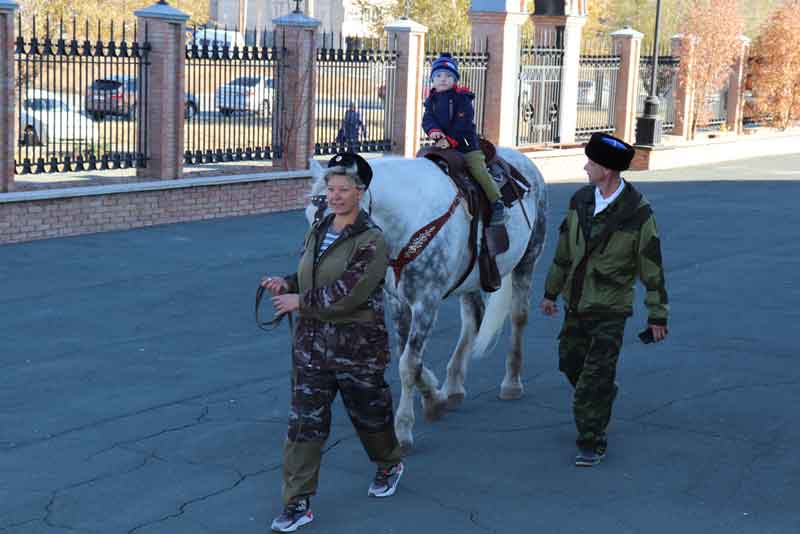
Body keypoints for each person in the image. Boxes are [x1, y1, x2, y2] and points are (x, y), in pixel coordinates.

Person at [261, 152, 404, 532]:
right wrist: (287, 283)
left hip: (357, 350)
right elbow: (312, 273)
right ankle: (297, 502)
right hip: (311, 349)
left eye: (344, 189)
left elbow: (349, 292)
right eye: (331, 188)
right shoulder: (321, 227)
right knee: (303, 424)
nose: (335, 196)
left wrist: (299, 302)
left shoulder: (372, 240)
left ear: (361, 192)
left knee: (370, 416)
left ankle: (389, 462)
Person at [539, 132, 669, 467]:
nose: (585, 167)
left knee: (593, 379)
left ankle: (591, 439)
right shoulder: (580, 200)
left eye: (591, 163)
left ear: (607, 171)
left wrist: (657, 314)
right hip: (576, 303)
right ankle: (601, 396)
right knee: (570, 363)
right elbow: (564, 253)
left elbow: (651, 266)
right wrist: (551, 292)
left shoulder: (638, 213)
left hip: (610, 308)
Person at [422, 53, 507, 226]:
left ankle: (497, 202)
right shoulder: (431, 100)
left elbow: (463, 122)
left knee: (477, 169)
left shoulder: (462, 99)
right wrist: (434, 132)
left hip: (465, 145)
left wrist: (451, 140)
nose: (443, 79)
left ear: (455, 80)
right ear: (432, 79)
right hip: (442, 145)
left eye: (448, 76)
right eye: (438, 76)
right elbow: (427, 119)